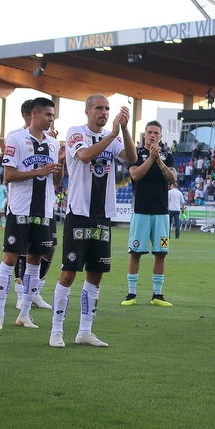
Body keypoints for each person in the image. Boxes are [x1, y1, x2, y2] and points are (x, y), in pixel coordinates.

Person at [49, 95, 135, 348]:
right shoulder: (77, 133)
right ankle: (56, 330)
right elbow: (85, 156)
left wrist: (126, 129)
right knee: (69, 272)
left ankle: (85, 331)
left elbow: (131, 158)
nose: (104, 112)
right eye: (99, 108)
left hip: (102, 215)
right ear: (87, 111)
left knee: (96, 274)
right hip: (79, 213)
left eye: (107, 108)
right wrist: (111, 135)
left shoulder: (115, 136)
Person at [0, 97, 63, 331]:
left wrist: (60, 166)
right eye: (48, 115)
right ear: (34, 114)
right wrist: (39, 171)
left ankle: (24, 314)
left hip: (44, 211)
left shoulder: (53, 144)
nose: (51, 119)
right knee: (10, 258)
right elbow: (9, 176)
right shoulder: (16, 139)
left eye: (52, 115)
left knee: (35, 261)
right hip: (20, 210)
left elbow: (56, 181)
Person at [122, 121, 176, 307]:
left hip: (161, 212)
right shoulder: (135, 153)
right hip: (141, 211)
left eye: (156, 133)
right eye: (150, 132)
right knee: (135, 252)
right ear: (144, 134)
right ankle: (131, 293)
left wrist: (158, 159)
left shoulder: (168, 155)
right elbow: (135, 175)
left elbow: (172, 178)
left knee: (161, 253)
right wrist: (150, 159)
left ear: (161, 136)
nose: (152, 135)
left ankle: (157, 295)